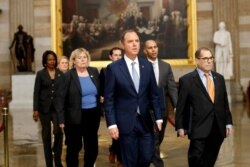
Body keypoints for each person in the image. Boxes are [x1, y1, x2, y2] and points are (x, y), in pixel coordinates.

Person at [104, 30, 163, 167]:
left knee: (147, 157)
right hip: (125, 123)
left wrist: (159, 117)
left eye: (137, 41)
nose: (134, 44)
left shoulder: (147, 65)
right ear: (123, 44)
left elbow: (154, 94)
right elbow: (109, 99)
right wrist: (112, 124)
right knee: (129, 161)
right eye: (130, 41)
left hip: (145, 121)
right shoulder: (114, 68)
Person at [175, 47, 233, 167]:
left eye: (211, 58)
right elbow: (181, 106)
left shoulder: (219, 79)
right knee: (195, 158)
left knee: (210, 159)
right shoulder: (187, 80)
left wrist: (228, 123)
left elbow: (224, 103)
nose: (209, 61)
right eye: (205, 58)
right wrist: (180, 126)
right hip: (198, 127)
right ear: (197, 60)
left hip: (218, 127)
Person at [58, 48, 101, 167]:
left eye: (85, 57)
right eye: (79, 58)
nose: (83, 60)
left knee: (92, 147)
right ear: (74, 61)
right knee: (74, 147)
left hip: (92, 115)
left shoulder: (94, 71)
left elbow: (99, 91)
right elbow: (60, 98)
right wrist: (61, 119)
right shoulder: (68, 76)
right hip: (74, 116)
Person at [143, 39, 178, 167]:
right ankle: (157, 163)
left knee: (159, 136)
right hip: (146, 109)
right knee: (154, 138)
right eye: (150, 48)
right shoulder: (141, 65)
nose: (153, 50)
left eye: (155, 47)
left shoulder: (165, 66)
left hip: (162, 109)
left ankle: (149, 155)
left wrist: (176, 105)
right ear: (145, 50)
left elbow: (172, 87)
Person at [33, 50, 64, 167]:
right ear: (45, 62)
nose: (52, 61)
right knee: (46, 135)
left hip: (57, 109)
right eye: (50, 59)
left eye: (54, 59)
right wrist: (35, 109)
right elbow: (36, 92)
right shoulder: (40, 74)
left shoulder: (60, 73)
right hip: (44, 109)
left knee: (59, 132)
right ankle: (49, 163)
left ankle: (57, 159)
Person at [99, 47, 123, 167]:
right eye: (115, 55)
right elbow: (101, 88)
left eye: (120, 55)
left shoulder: (125, 69)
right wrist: (101, 96)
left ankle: (115, 152)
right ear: (110, 57)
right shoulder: (105, 71)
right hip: (110, 106)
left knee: (121, 133)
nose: (118, 57)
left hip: (123, 106)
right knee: (116, 133)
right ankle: (119, 159)